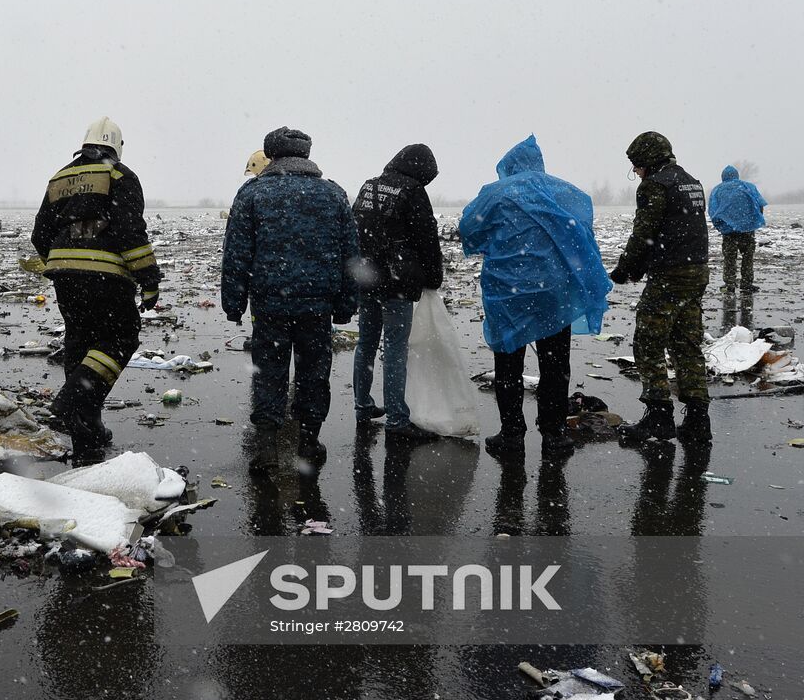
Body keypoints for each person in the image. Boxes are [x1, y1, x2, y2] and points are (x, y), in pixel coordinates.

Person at [460, 136, 612, 458]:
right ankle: (554, 436)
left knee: (508, 364)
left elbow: (469, 231)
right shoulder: (565, 192)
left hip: (509, 294)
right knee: (555, 366)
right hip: (554, 294)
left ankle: (512, 436)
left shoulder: (496, 193)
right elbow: (582, 230)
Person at [222, 127, 359, 474]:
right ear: (307, 154)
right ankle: (309, 441)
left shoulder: (253, 193)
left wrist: (234, 302)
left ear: (271, 154)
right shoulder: (333, 194)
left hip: (270, 303)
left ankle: (267, 448)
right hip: (318, 303)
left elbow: (237, 252)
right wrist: (346, 303)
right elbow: (350, 254)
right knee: (314, 373)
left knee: (269, 372)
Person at [32, 118, 161, 458]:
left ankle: (86, 434)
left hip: (64, 275)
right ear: (117, 146)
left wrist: (63, 263)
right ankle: (70, 401)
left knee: (79, 343)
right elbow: (130, 232)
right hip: (105, 276)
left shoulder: (61, 175)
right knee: (121, 336)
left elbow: (39, 233)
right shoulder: (119, 175)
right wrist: (149, 280)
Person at [609, 132, 711, 444]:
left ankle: (658, 415)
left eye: (637, 165)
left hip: (671, 273)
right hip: (697, 270)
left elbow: (645, 232)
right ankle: (697, 420)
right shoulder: (691, 181)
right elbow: (674, 227)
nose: (636, 172)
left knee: (648, 341)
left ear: (649, 160)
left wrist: (625, 269)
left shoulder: (656, 184)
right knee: (686, 343)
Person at [351, 144, 444, 443]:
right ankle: (397, 418)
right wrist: (433, 277)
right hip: (397, 282)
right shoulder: (412, 191)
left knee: (366, 343)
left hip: (367, 278)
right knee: (394, 348)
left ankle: (362, 406)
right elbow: (427, 238)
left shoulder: (369, 186)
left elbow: (355, 229)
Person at [708, 165, 767, 294]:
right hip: (747, 230)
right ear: (737, 175)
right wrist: (754, 221)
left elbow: (713, 211)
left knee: (729, 258)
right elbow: (760, 204)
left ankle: (729, 284)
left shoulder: (718, 190)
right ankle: (746, 283)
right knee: (747, 257)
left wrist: (721, 226)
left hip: (729, 232)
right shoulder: (748, 187)